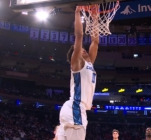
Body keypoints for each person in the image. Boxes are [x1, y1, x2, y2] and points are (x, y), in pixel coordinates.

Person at [56, 6, 99, 140]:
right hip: (75, 108)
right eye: (80, 49)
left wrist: (95, 19)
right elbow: (79, 36)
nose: (84, 50)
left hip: (75, 110)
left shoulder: (89, 63)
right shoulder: (77, 64)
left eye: (84, 49)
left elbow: (95, 41)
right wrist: (77, 12)